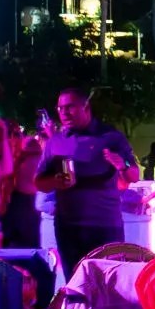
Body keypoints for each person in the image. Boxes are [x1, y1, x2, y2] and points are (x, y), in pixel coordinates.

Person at [37, 88, 139, 267]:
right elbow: (39, 182)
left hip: (105, 225)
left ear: (86, 107)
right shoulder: (55, 142)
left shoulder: (110, 137)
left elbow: (134, 175)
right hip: (69, 228)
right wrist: (56, 181)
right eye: (60, 108)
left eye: (70, 107)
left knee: (107, 285)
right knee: (76, 286)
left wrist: (123, 164)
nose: (64, 113)